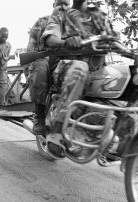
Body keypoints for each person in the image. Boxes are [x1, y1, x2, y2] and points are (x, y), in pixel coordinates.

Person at [41, 0, 113, 156]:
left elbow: (113, 37)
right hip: (65, 68)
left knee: (124, 77)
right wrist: (65, 41)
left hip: (96, 71)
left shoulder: (99, 15)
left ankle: (115, 136)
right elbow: (50, 38)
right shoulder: (62, 15)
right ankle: (57, 131)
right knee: (81, 68)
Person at [26, 0, 70, 135]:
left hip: (61, 66)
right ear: (53, 5)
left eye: (67, 4)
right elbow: (31, 51)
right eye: (60, 4)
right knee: (41, 65)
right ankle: (39, 116)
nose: (63, 7)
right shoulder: (42, 23)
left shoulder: (73, 25)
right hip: (42, 64)